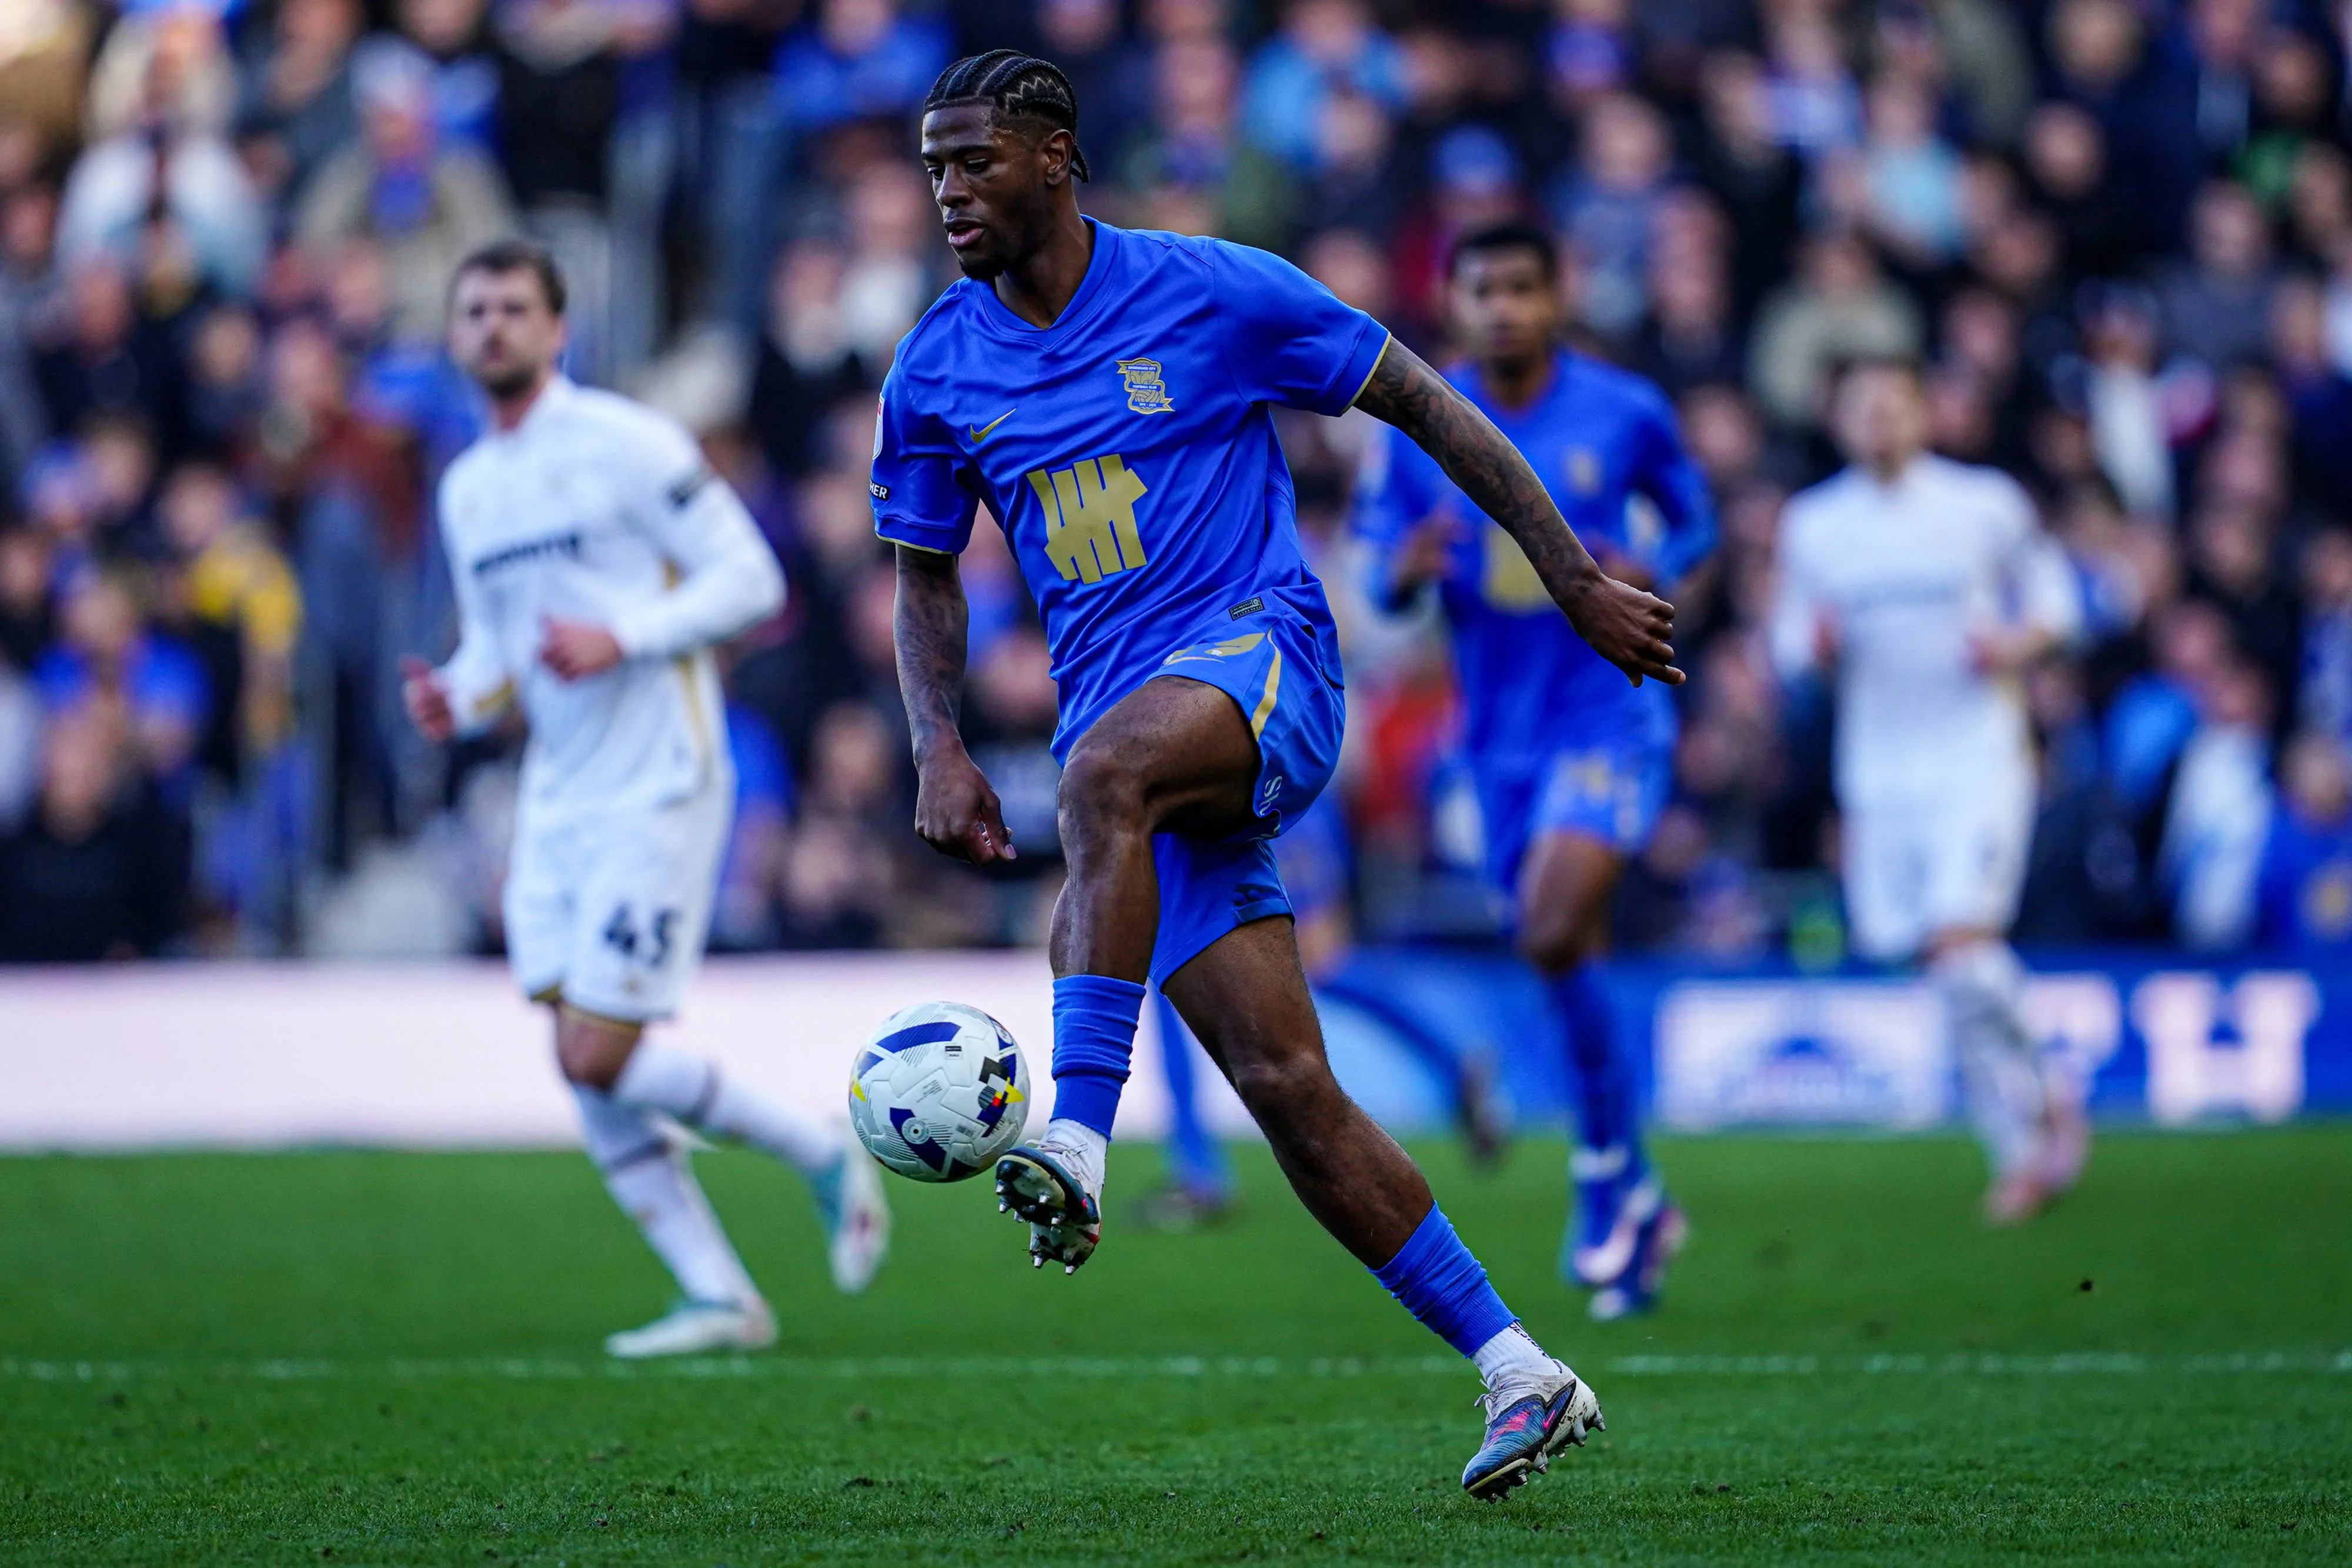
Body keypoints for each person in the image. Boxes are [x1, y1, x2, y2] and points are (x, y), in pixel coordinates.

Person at [874, 52, 1677, 1499]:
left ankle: (1076, 1130)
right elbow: (923, 576)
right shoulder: (935, 363)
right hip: (1130, 747)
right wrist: (932, 738)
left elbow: (1429, 404)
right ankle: (1519, 1370)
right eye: (932, 168)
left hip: (1267, 668)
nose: (946, 193)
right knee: (1284, 1083)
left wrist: (1571, 577)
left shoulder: (1214, 288)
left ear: (1055, 159)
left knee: (1101, 780)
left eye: (972, 162)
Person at [401, 239, 888, 1358]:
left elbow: (752, 582)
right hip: (558, 795)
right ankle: (721, 1294)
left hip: (663, 779)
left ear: (558, 329)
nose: (491, 327)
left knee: (596, 1053)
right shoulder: (469, 488)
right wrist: (460, 697)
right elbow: (500, 649)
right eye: (472, 310)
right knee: (580, 1050)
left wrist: (623, 634)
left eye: (513, 308)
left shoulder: (628, 446)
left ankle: (818, 1148)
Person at [1354, 220, 1715, 1319]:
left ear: (1558, 297)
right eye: (1483, 290)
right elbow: (1378, 577)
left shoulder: (1625, 409)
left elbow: (1696, 516)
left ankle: (1603, 1173)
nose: (1504, 306)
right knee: (1563, 956)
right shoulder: (1421, 419)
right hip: (1494, 740)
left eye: (1523, 286)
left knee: (1555, 929)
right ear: (1455, 304)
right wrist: (1404, 570)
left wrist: (1663, 562)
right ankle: (1639, 1187)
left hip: (1607, 715)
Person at [1769, 357, 2088, 1224]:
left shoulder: (1984, 504)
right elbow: (1791, 643)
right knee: (1931, 960)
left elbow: (2061, 602)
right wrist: (1820, 650)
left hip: (1977, 756)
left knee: (1961, 941)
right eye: (1861, 406)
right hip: (1878, 771)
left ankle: (2045, 1112)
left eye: (1893, 403)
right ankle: (2030, 1129)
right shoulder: (1815, 524)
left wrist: (2019, 644)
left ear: (1924, 413)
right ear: (1839, 421)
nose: (1878, 420)